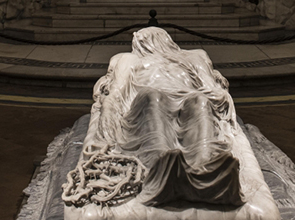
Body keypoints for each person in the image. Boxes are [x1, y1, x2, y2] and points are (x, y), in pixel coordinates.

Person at [82, 27, 244, 206]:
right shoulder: (129, 59)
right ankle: (160, 166)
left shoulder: (193, 56)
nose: (138, 42)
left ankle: (206, 168)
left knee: (200, 100)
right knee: (153, 97)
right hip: (150, 101)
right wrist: (108, 113)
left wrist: (217, 93)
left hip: (187, 96)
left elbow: (212, 87)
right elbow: (117, 91)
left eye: (140, 39)